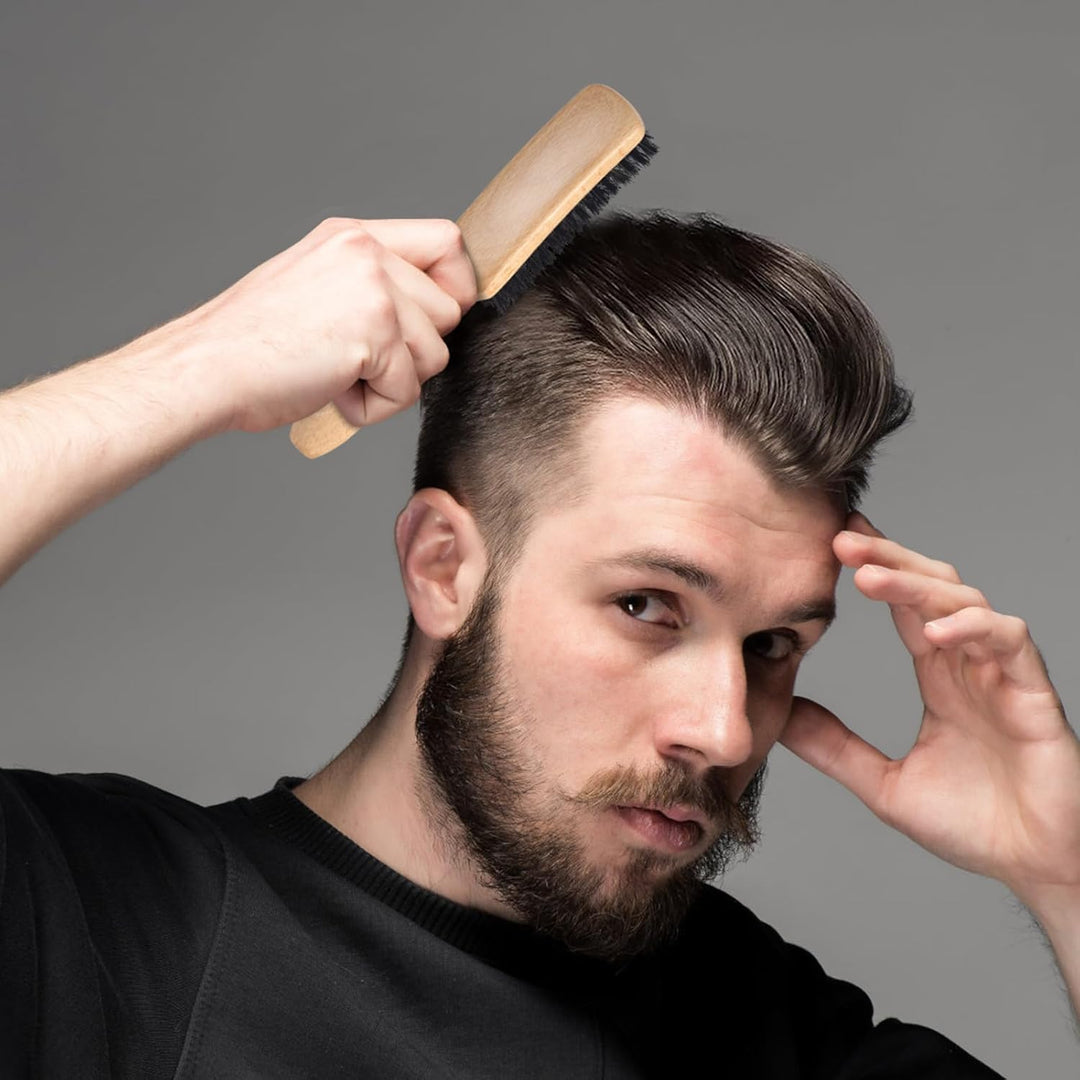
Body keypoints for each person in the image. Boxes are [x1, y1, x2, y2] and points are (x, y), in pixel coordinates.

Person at [0, 209, 1075, 1078]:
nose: (721, 727)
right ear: (442, 567)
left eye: (774, 644)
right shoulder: (105, 928)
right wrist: (198, 364)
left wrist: (1062, 869)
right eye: (649, 606)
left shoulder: (761, 1027)